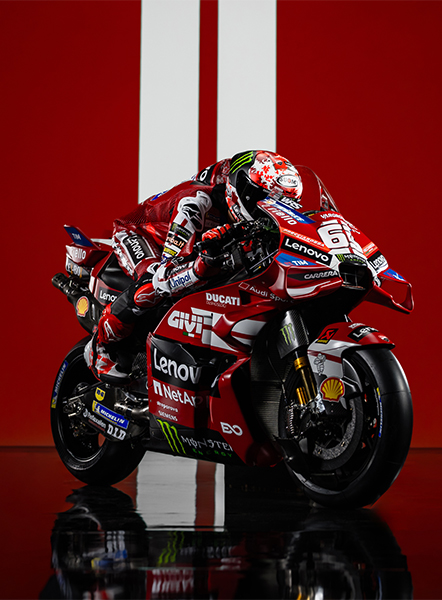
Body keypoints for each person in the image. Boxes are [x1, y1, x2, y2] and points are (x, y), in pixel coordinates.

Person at [84, 150, 304, 384]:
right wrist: (200, 267)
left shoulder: (246, 195)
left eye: (285, 204)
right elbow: (165, 276)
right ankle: (100, 345)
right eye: (264, 201)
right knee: (152, 282)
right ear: (241, 189)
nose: (270, 210)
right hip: (143, 234)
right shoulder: (195, 204)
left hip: (197, 242)